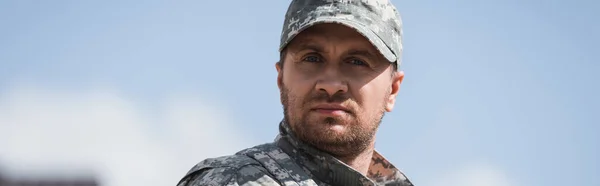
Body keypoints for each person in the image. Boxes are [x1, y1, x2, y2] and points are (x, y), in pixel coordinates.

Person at [177, 0, 413, 185]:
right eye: (312, 58)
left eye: (357, 61)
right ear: (281, 79)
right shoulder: (234, 181)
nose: (331, 84)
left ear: (392, 90)